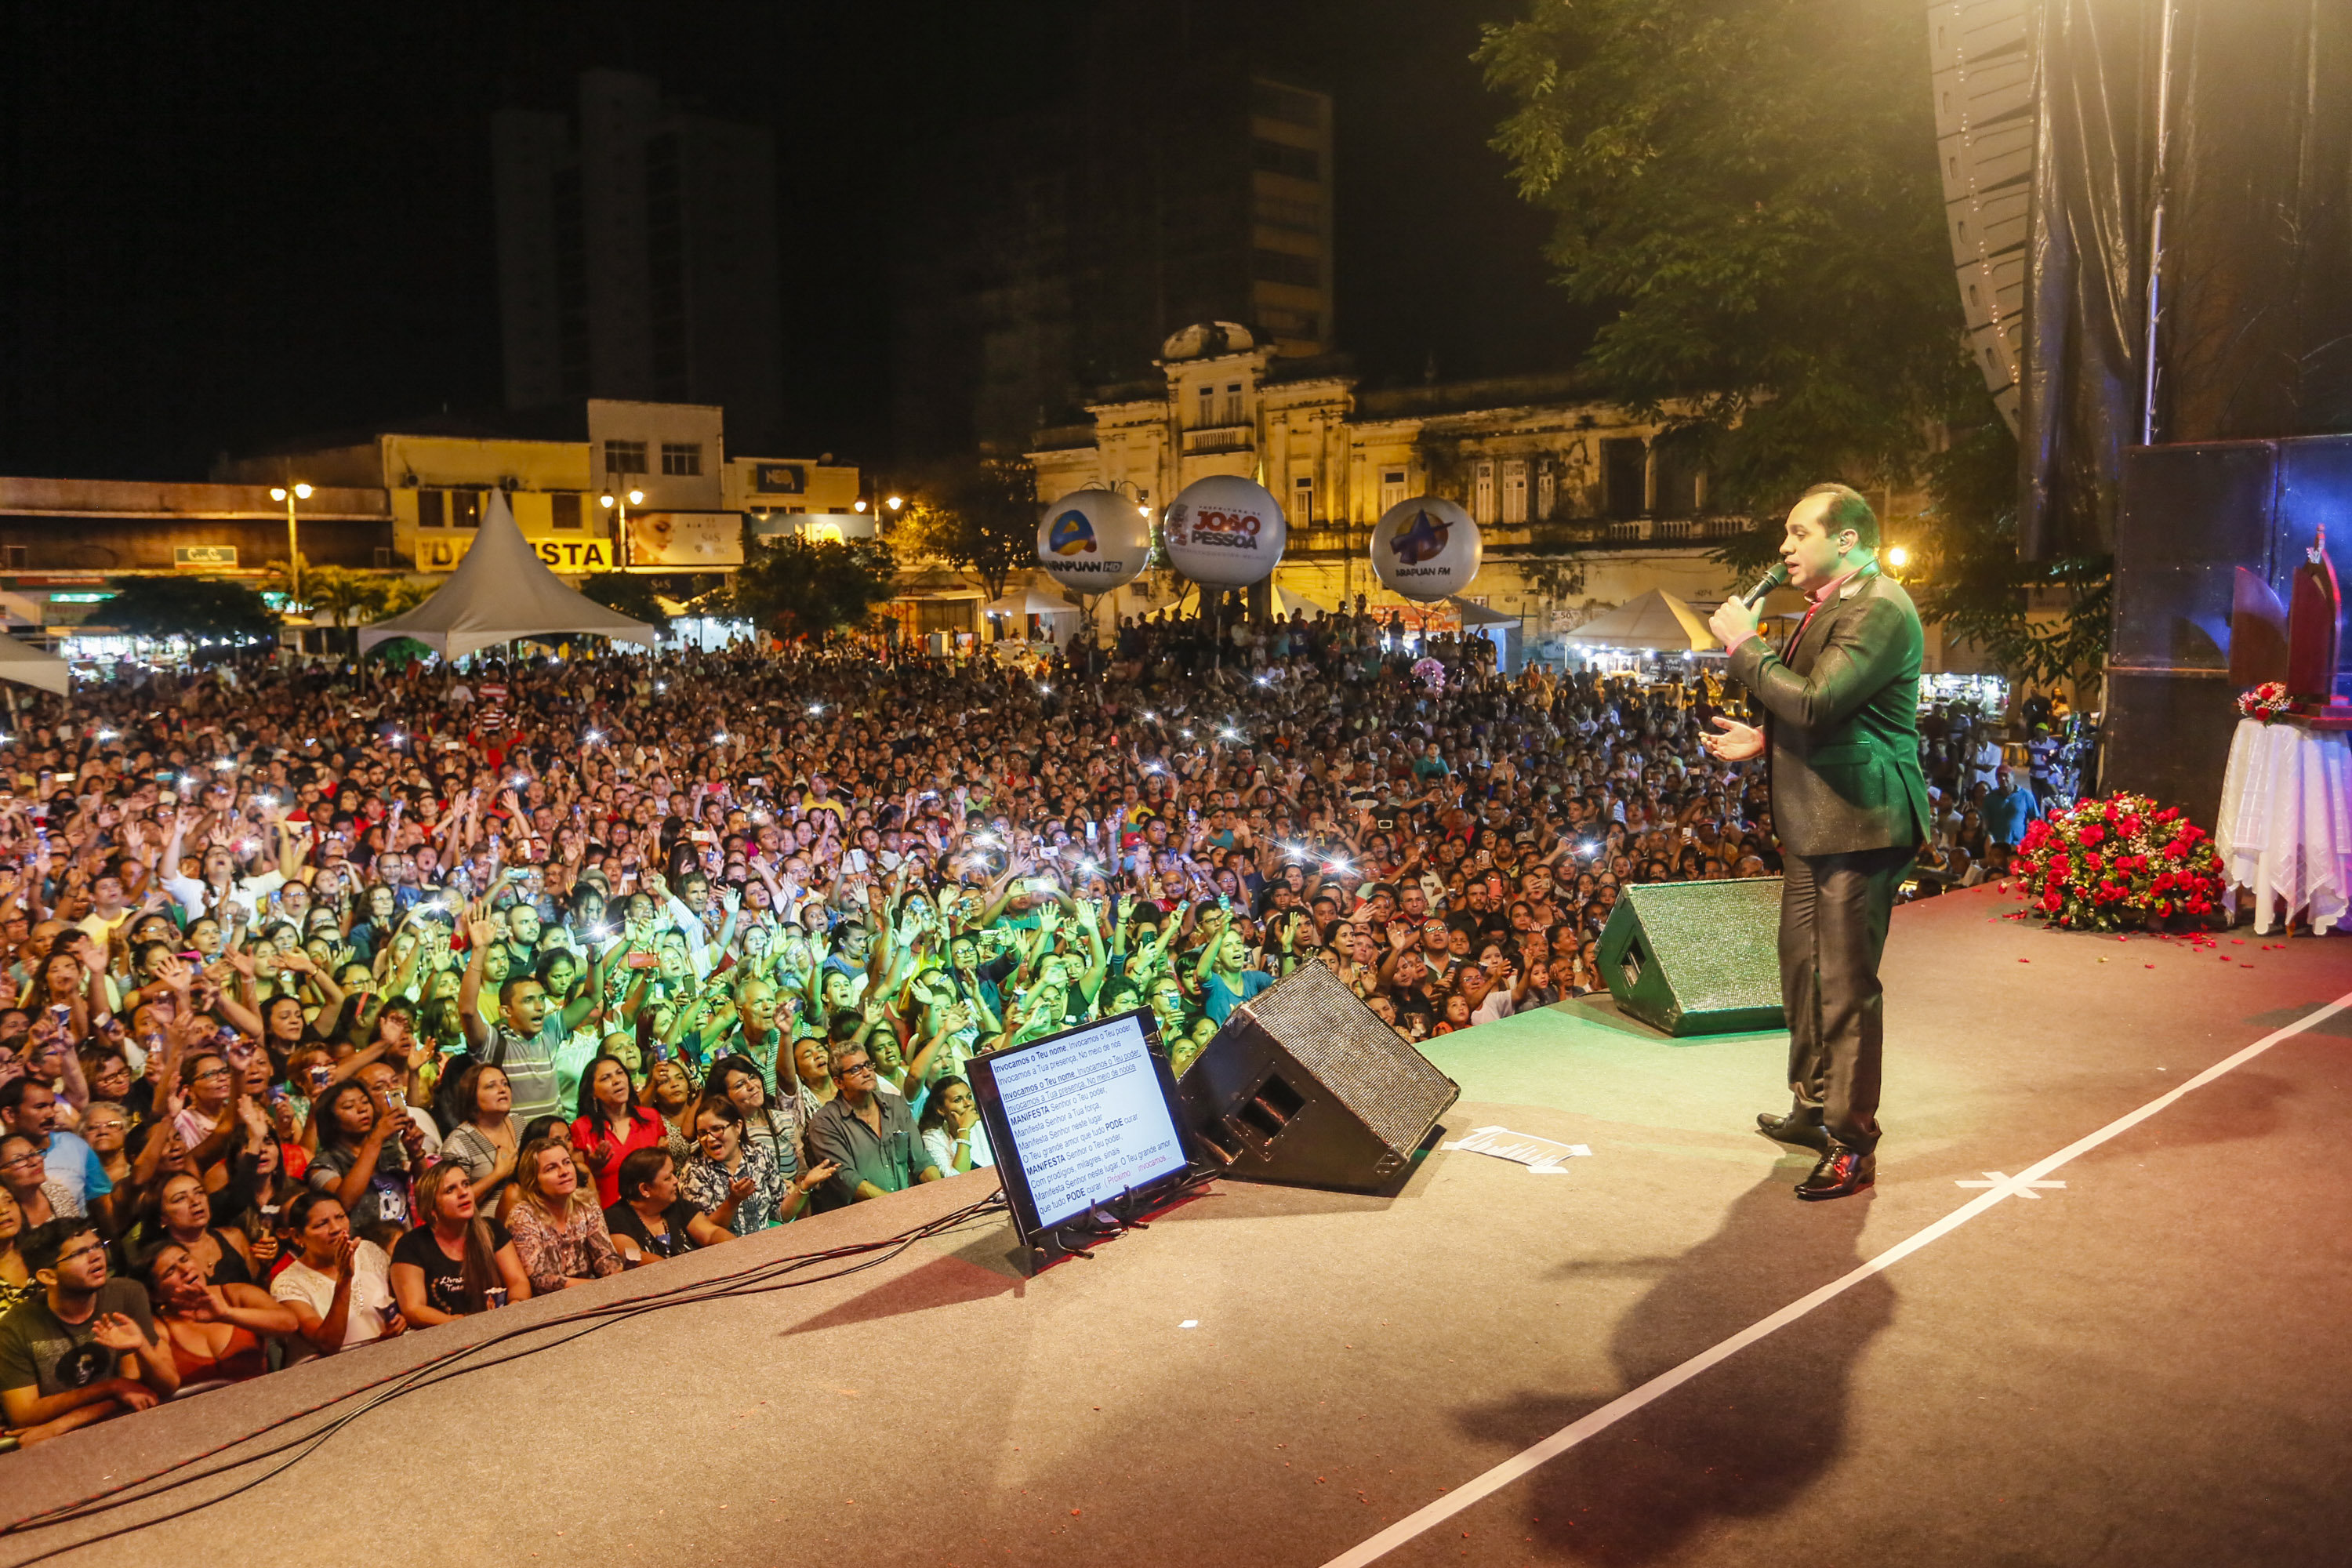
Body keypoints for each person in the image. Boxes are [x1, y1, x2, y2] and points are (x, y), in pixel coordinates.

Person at [1706, 483, 1929, 1200]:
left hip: (1861, 821)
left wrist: (1744, 646)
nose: (1785, 547)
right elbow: (1823, 711)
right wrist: (1767, 737)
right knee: (1803, 969)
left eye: (1799, 533)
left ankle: (1851, 1142)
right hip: (1817, 817)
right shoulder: (1834, 605)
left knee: (1845, 986)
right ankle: (1813, 1106)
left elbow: (1818, 700)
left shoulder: (1878, 606)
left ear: (1846, 539)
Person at [0, 1224, 178, 1445]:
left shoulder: (126, 1293)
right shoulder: (14, 1326)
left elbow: (161, 1387)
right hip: (62, 1447)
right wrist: (112, 1387)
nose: (96, 1257)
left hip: (129, 1429)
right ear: (48, 1276)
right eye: (79, 1253)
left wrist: (140, 1346)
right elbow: (23, 1415)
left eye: (97, 1246)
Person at [143, 1242, 301, 1389]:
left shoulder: (235, 1293)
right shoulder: (157, 1326)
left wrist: (226, 1314)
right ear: (155, 1295)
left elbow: (289, 1324)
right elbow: (165, 1386)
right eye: (170, 1271)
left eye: (185, 1259)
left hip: (263, 1398)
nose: (185, 1270)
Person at [269, 1190, 405, 1360]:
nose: (336, 1228)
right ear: (297, 1236)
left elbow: (398, 1305)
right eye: (321, 1224)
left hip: (389, 1356)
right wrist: (345, 1279)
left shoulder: (368, 1250)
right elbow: (328, 1344)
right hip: (330, 1373)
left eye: (340, 1217)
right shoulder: (287, 1283)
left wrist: (399, 1322)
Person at [389, 1163, 531, 1325]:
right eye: (450, 1190)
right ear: (432, 1208)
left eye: (466, 1184)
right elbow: (413, 1309)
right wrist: (460, 1325)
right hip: (443, 1336)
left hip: (501, 1326)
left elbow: (518, 1282)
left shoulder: (493, 1230)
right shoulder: (411, 1245)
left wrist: (514, 1306)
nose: (463, 1193)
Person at [803, 1041, 942, 1205]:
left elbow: (921, 1160)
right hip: (863, 1220)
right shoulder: (825, 1123)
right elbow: (848, 1181)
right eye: (856, 1069)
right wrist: (898, 1205)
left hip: (907, 1207)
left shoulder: (896, 1105)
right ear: (839, 1082)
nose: (866, 1072)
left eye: (868, 1065)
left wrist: (941, 1191)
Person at [506, 1138, 625, 1293]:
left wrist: (615, 1276)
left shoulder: (586, 1204)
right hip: (547, 1303)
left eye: (567, 1162)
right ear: (533, 1180)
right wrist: (596, 1287)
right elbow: (538, 1279)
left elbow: (605, 1255)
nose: (564, 1172)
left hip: (594, 1292)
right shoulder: (522, 1216)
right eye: (551, 1168)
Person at [603, 1147, 735, 1264]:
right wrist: (681, 1269)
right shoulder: (614, 1218)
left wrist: (736, 1248)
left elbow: (711, 1233)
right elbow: (633, 1257)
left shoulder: (677, 1204)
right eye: (667, 1178)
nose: (676, 1181)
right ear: (645, 1190)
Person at [571, 1054, 666, 1210]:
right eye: (606, 1078)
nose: (617, 1080)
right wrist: (592, 1168)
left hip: (653, 1211)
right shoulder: (581, 1128)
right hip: (608, 1217)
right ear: (592, 1092)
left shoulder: (650, 1117)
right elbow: (575, 1187)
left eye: (620, 1073)